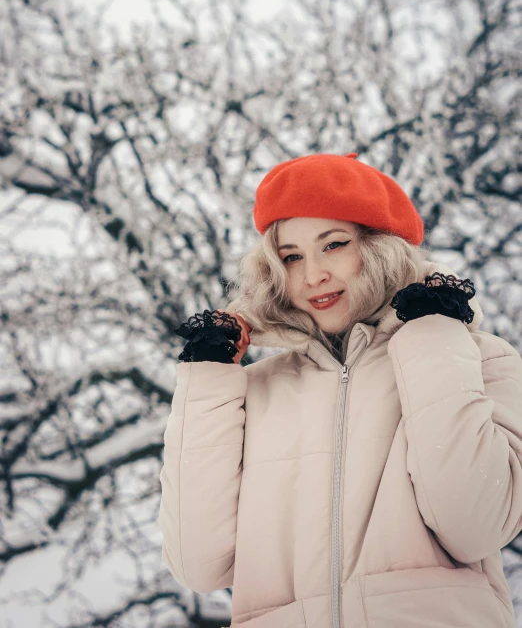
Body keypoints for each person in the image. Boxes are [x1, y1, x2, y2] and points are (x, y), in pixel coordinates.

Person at [158, 152, 522, 628]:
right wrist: (206, 378)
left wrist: (433, 329)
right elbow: (199, 564)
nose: (313, 276)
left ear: (379, 248)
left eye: (333, 245)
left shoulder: (474, 358)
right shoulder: (251, 392)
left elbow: (476, 524)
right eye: (291, 257)